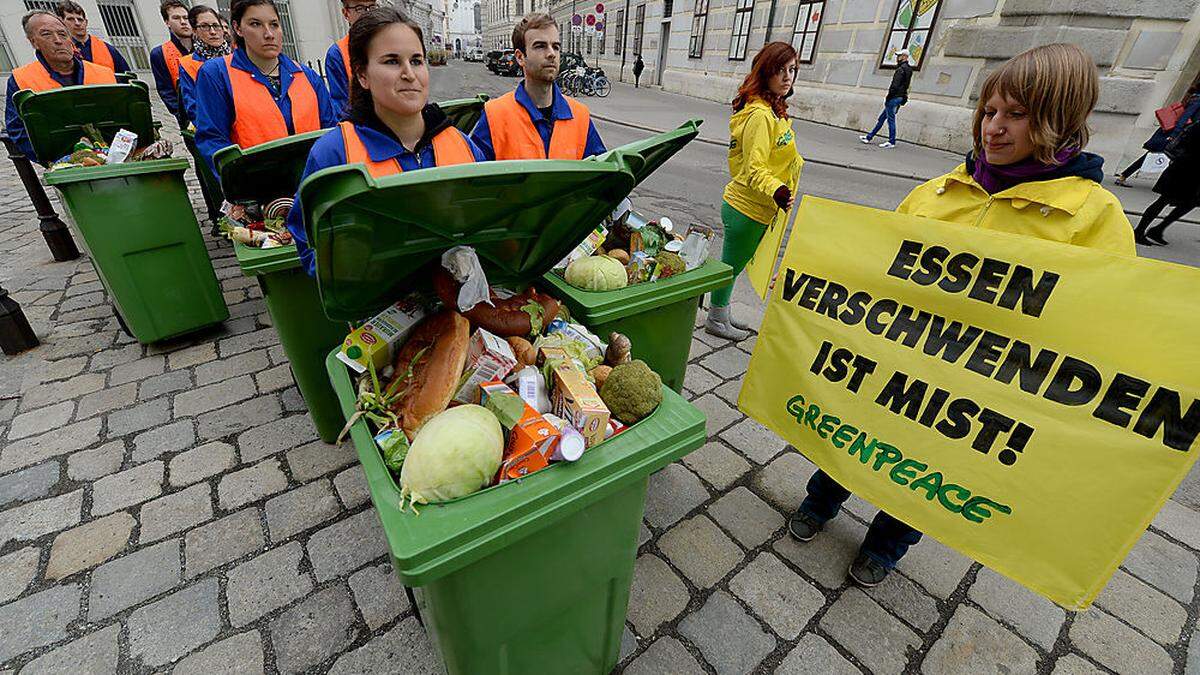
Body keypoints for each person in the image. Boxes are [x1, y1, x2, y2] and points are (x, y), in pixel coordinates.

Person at [791, 43, 1134, 588]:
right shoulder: (938, 191)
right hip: (892, 364)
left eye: (1016, 115)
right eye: (989, 112)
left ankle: (886, 545)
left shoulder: (1095, 218)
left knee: (930, 470)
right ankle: (820, 501)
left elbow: (1102, 326)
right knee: (856, 432)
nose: (994, 128)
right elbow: (876, 266)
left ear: (1060, 118)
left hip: (977, 391)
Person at [286, 7, 486, 275]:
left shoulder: (462, 144)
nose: (409, 74)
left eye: (416, 60)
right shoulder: (333, 154)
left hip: (459, 302)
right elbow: (309, 242)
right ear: (362, 76)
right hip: (376, 306)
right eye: (392, 61)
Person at [706, 42, 801, 341]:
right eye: (780, 70)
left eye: (793, 70)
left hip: (756, 206)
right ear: (765, 72)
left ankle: (721, 312)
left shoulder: (773, 109)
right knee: (731, 266)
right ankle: (716, 319)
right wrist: (779, 191)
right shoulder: (760, 116)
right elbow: (754, 168)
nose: (788, 77)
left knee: (734, 264)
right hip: (747, 207)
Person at [193, 0, 337, 177]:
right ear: (238, 28)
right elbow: (213, 140)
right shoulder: (217, 75)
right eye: (256, 24)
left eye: (274, 24)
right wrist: (242, 186)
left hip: (312, 183)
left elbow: (330, 131)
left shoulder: (307, 76)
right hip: (256, 188)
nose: (269, 34)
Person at [470, 12, 605, 160]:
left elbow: (603, 175)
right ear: (520, 57)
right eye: (540, 46)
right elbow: (472, 173)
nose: (551, 53)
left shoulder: (579, 116)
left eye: (556, 46)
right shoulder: (495, 115)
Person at [5, 11, 117, 163]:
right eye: (46, 34)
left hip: (114, 157)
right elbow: (18, 130)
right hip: (64, 165)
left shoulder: (103, 73)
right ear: (33, 42)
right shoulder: (21, 79)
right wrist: (57, 161)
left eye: (63, 34)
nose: (58, 40)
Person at [1115, 75, 1200, 186]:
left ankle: (1124, 176)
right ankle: (1125, 176)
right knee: (1159, 156)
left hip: (1179, 134)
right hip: (1178, 134)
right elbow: (1184, 118)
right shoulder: (1198, 100)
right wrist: (1174, 135)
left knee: (1161, 156)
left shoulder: (1195, 98)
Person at [1133, 115, 1200, 245]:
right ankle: (1140, 231)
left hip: (1184, 167)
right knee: (1165, 200)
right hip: (1188, 169)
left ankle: (1158, 229)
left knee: (1189, 202)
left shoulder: (1196, 125)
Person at [177, 5, 232, 125]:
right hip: (216, 128)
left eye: (216, 26)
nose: (213, 32)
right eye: (205, 26)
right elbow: (193, 108)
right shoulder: (188, 64)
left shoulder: (236, 58)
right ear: (195, 30)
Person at [327, 0, 379, 120]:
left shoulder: (390, 43)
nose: (368, 14)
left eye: (372, 7)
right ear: (346, 13)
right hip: (362, 127)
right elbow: (342, 107)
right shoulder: (337, 54)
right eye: (359, 8)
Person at [149, 0, 195, 126]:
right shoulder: (159, 54)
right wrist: (181, 116)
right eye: (176, 18)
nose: (183, 22)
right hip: (188, 119)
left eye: (186, 17)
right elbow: (165, 90)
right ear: (167, 22)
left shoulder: (203, 48)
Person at [54, 1, 131, 74]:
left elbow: (128, 78)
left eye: (80, 19)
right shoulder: (60, 51)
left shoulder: (108, 49)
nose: (77, 23)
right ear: (61, 22)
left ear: (86, 22)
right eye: (70, 19)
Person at [860, 48, 912, 149]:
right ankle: (869, 137)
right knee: (882, 118)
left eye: (899, 56)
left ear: (905, 57)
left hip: (894, 97)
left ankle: (891, 141)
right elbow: (907, 85)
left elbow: (894, 85)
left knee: (890, 120)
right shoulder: (909, 69)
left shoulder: (900, 70)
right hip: (900, 97)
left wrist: (888, 98)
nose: (898, 58)